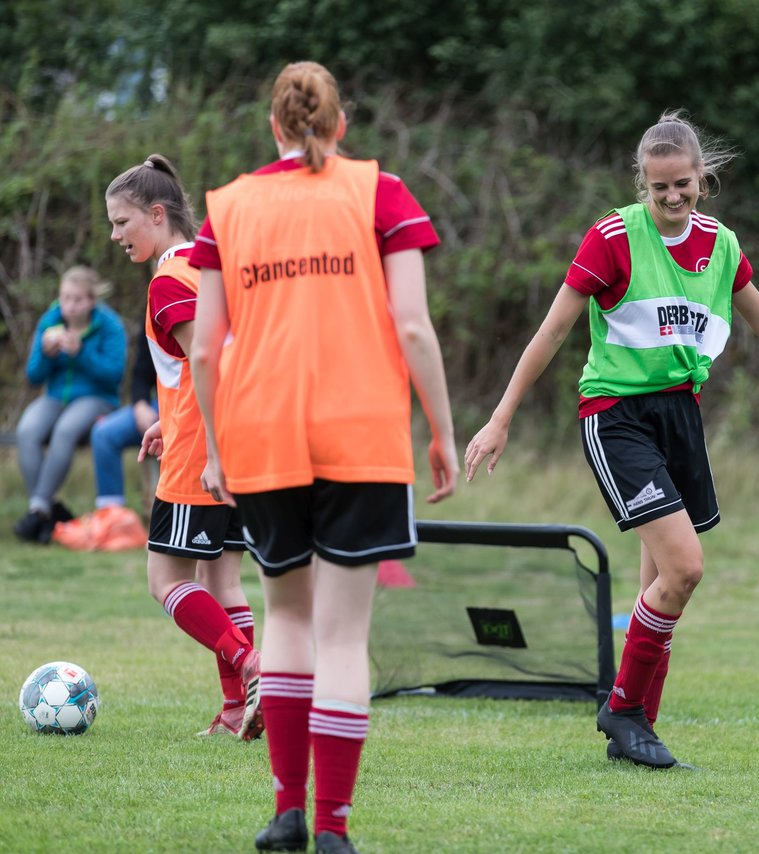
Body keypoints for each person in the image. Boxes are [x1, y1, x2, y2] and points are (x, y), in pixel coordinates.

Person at [465, 111, 759, 769]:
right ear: (643, 182)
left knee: (662, 583)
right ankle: (625, 712)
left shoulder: (721, 245)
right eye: (659, 186)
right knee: (686, 568)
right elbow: (552, 332)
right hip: (617, 418)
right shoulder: (612, 237)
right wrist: (501, 417)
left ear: (703, 179)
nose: (672, 198)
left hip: (679, 418)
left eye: (684, 186)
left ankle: (638, 732)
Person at [187, 61, 457, 854]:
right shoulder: (381, 192)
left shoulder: (226, 209)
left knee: (287, 620)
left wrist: (214, 442)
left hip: (262, 436)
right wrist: (442, 430)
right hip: (363, 436)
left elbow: (205, 349)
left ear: (275, 127)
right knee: (343, 638)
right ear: (341, 126)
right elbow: (412, 326)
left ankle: (285, 813)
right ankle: (333, 827)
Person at [105, 154, 261, 739]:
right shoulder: (212, 268)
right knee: (222, 581)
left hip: (205, 454)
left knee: (164, 579)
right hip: (239, 440)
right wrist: (170, 419)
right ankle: (231, 713)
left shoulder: (170, 281)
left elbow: (208, 361)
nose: (115, 235)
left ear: (155, 213)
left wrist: (202, 445)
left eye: (122, 222)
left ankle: (253, 667)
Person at [14, 266, 126, 543]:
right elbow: (33, 375)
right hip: (54, 398)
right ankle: (47, 513)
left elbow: (114, 375)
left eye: (77, 299)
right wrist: (46, 353)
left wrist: (81, 353)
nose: (70, 306)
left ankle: (39, 511)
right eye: (65, 298)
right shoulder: (49, 321)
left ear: (91, 301)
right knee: (26, 430)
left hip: (97, 400)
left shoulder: (110, 325)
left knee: (65, 430)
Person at [52, 315, 157, 551]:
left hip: (192, 405)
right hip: (154, 405)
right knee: (103, 432)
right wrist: (140, 404)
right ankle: (113, 521)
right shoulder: (153, 308)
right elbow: (141, 372)